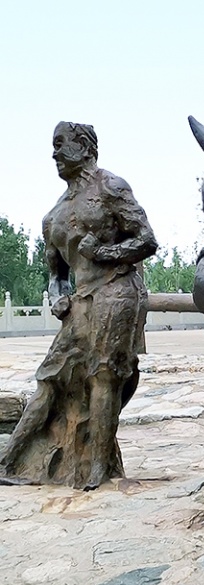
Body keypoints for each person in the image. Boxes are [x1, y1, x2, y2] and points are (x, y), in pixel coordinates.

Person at [0, 122, 157, 490]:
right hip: (81, 302)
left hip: (117, 289)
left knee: (104, 375)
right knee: (50, 379)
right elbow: (56, 275)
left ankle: (98, 470)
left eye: (60, 145)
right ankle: (8, 461)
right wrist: (57, 297)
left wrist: (104, 252)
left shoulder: (110, 188)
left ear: (84, 146)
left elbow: (147, 240)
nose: (53, 154)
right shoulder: (52, 216)